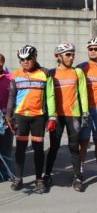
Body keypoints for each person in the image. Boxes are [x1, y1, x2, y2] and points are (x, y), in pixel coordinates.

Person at [6, 45, 56, 194]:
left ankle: (39, 179)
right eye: (22, 60)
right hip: (21, 117)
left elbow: (50, 96)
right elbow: (11, 96)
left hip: (38, 117)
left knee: (38, 149)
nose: (25, 62)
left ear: (35, 58)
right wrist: (9, 116)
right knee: (20, 149)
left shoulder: (45, 73)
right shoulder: (15, 74)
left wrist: (52, 117)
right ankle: (18, 178)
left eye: (28, 58)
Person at [44, 42, 87, 192]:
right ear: (58, 56)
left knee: (74, 147)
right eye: (68, 54)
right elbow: (48, 96)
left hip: (73, 115)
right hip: (57, 116)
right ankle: (47, 175)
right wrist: (50, 115)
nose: (71, 57)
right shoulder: (51, 73)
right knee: (54, 147)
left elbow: (83, 93)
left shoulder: (78, 72)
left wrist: (85, 112)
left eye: (73, 54)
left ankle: (77, 176)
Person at [78, 37, 97, 176]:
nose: (93, 51)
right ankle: (80, 168)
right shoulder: (81, 68)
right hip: (86, 110)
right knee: (83, 140)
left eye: (96, 49)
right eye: (90, 49)